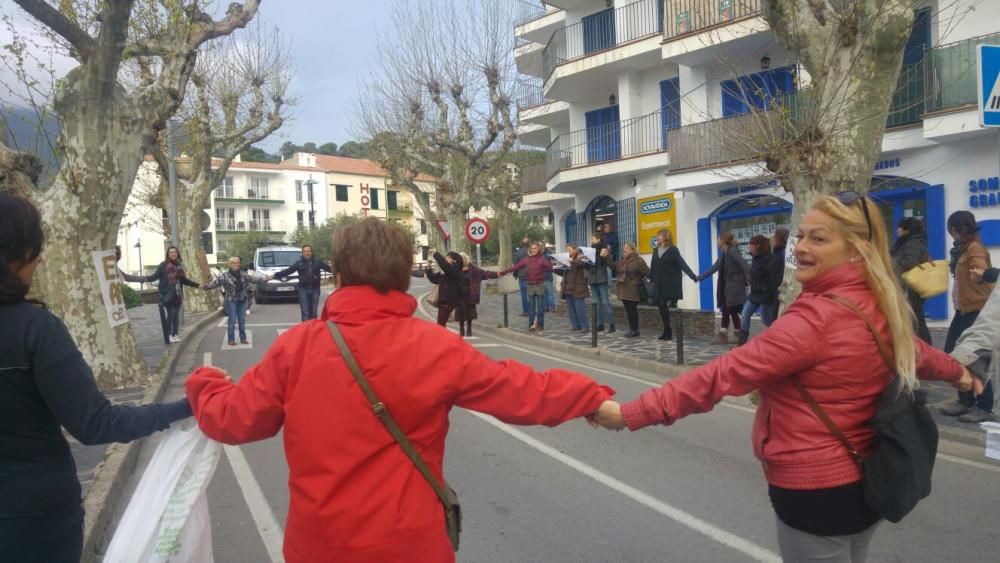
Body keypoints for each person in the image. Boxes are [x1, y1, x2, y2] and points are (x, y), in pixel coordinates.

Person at [183, 218, 616, 563]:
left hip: (321, 546)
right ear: (399, 272)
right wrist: (590, 396)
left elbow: (234, 420)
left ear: (339, 274)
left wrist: (205, 383)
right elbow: (522, 390)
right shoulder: (434, 345)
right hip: (412, 545)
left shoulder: (297, 347)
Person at [591, 193, 978, 563]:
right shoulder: (874, 301)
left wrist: (630, 413)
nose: (801, 248)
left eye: (819, 238)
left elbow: (722, 374)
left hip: (817, 491)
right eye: (801, 236)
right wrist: (959, 373)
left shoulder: (813, 321)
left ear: (856, 250)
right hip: (871, 478)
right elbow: (918, 353)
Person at [0, 193, 192, 562]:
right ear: (13, 256)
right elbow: (95, 424)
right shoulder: (35, 329)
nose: (40, 259)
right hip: (33, 521)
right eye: (33, 249)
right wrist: (182, 408)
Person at [939, 211, 996, 423]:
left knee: (975, 357)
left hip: (976, 310)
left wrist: (978, 272)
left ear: (955, 230)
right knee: (953, 353)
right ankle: (965, 400)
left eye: (951, 231)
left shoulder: (974, 248)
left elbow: (981, 269)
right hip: (963, 310)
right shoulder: (962, 249)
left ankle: (984, 406)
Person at [696, 232, 749, 345]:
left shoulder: (732, 251)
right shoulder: (724, 253)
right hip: (727, 288)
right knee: (728, 310)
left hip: (734, 287)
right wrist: (700, 277)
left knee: (730, 310)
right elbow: (714, 267)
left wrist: (749, 280)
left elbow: (743, 264)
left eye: (718, 239)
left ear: (723, 240)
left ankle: (732, 335)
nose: (717, 241)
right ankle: (728, 335)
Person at [202, 256, 268, 346]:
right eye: (234, 263)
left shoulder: (243, 274)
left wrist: (266, 278)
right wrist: (204, 286)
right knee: (232, 320)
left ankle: (243, 338)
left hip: (242, 300)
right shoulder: (225, 275)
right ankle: (231, 339)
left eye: (237, 263)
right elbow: (215, 283)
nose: (236, 264)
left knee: (242, 320)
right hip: (231, 300)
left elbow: (253, 279)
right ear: (230, 264)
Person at [144, 246, 200, 344]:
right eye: (171, 252)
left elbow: (184, 280)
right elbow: (154, 277)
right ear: (168, 254)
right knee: (171, 314)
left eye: (174, 252)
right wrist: (142, 279)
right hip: (167, 295)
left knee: (176, 316)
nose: (173, 254)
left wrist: (197, 285)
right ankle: (169, 334)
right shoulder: (163, 265)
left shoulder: (179, 266)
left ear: (177, 254)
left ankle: (175, 334)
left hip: (177, 295)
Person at [649, 229, 697, 341]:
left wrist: (692, 275)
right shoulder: (656, 250)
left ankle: (668, 330)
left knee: (662, 303)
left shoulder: (673, 250)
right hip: (659, 283)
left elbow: (681, 263)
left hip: (669, 282)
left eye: (659, 235)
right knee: (660, 305)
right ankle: (667, 329)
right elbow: (653, 265)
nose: (658, 237)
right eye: (657, 236)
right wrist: (651, 278)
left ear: (666, 237)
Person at [891, 218, 932, 343]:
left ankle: (922, 346)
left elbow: (910, 262)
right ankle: (921, 345)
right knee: (915, 317)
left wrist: (892, 263)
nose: (897, 230)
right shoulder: (914, 242)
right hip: (913, 286)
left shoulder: (911, 243)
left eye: (899, 227)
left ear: (905, 230)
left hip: (911, 287)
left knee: (915, 318)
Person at [501, 242, 554, 333]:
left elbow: (550, 268)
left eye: (535, 248)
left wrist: (544, 268)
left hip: (540, 285)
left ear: (539, 250)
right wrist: (503, 272)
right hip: (530, 285)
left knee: (541, 307)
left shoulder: (543, 259)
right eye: (532, 248)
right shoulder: (526, 259)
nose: (533, 250)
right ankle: (531, 324)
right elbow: (516, 267)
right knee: (532, 307)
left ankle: (540, 325)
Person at [273, 245, 333, 322]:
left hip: (315, 289)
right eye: (305, 251)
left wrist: (342, 270)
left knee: (314, 313)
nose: (307, 253)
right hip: (303, 290)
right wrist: (274, 275)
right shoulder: (299, 263)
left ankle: (313, 331)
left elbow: (329, 269)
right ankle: (306, 331)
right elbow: (288, 271)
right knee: (305, 313)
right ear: (302, 253)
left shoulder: (318, 262)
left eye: (308, 251)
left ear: (311, 252)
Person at [738, 235, 777, 346]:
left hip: (765, 295)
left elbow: (771, 277)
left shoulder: (768, 259)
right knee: (745, 314)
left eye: (751, 243)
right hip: (755, 294)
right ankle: (742, 343)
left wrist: (765, 287)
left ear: (757, 245)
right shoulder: (755, 258)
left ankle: (778, 337)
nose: (749, 245)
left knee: (766, 319)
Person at [456, 251, 499, 338]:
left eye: (464, 258)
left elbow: (485, 273)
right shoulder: (455, 270)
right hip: (459, 294)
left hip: (471, 293)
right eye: (460, 259)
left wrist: (497, 274)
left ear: (467, 259)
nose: (463, 260)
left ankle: (469, 328)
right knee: (460, 312)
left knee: (470, 312)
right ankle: (461, 329)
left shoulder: (474, 270)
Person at [615, 242, 650, 338]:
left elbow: (647, 272)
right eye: (624, 247)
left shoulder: (638, 261)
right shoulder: (622, 261)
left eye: (626, 248)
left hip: (633, 288)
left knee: (632, 310)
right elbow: (614, 267)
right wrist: (606, 257)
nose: (624, 249)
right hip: (623, 288)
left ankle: (635, 330)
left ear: (632, 250)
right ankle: (632, 329)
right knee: (628, 310)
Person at [425, 251, 464, 328]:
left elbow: (445, 265)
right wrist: (429, 265)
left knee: (440, 325)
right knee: (441, 324)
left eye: (448, 257)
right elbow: (433, 279)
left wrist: (435, 253)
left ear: (454, 260)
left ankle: (443, 339)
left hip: (449, 301)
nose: (445, 258)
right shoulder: (445, 272)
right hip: (443, 301)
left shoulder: (455, 271)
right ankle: (443, 338)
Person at [588, 232, 616, 333]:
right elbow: (587, 267)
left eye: (593, 239)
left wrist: (605, 256)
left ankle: (611, 324)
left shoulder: (604, 249)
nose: (592, 240)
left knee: (605, 301)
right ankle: (600, 324)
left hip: (601, 278)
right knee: (596, 303)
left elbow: (611, 265)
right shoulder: (590, 251)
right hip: (592, 279)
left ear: (599, 239)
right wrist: (584, 260)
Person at [561, 244, 592, 331]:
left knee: (580, 308)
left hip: (578, 287)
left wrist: (572, 260)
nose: (568, 251)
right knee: (571, 309)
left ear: (575, 249)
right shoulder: (565, 259)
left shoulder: (580, 256)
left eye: (570, 249)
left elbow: (583, 264)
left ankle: (584, 326)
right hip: (567, 286)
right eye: (567, 249)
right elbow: (561, 272)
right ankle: (575, 325)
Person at [769, 227, 789, 319]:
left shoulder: (783, 252)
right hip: (774, 289)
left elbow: (786, 271)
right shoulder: (776, 252)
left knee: (776, 317)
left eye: (774, 235)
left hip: (780, 289)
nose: (772, 238)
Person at [512, 236, 531, 316]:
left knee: (524, 295)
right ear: (529, 243)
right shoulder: (532, 251)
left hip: (522, 277)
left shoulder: (517, 253)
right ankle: (532, 310)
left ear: (521, 244)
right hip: (532, 276)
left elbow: (515, 266)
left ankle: (526, 311)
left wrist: (515, 274)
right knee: (531, 294)